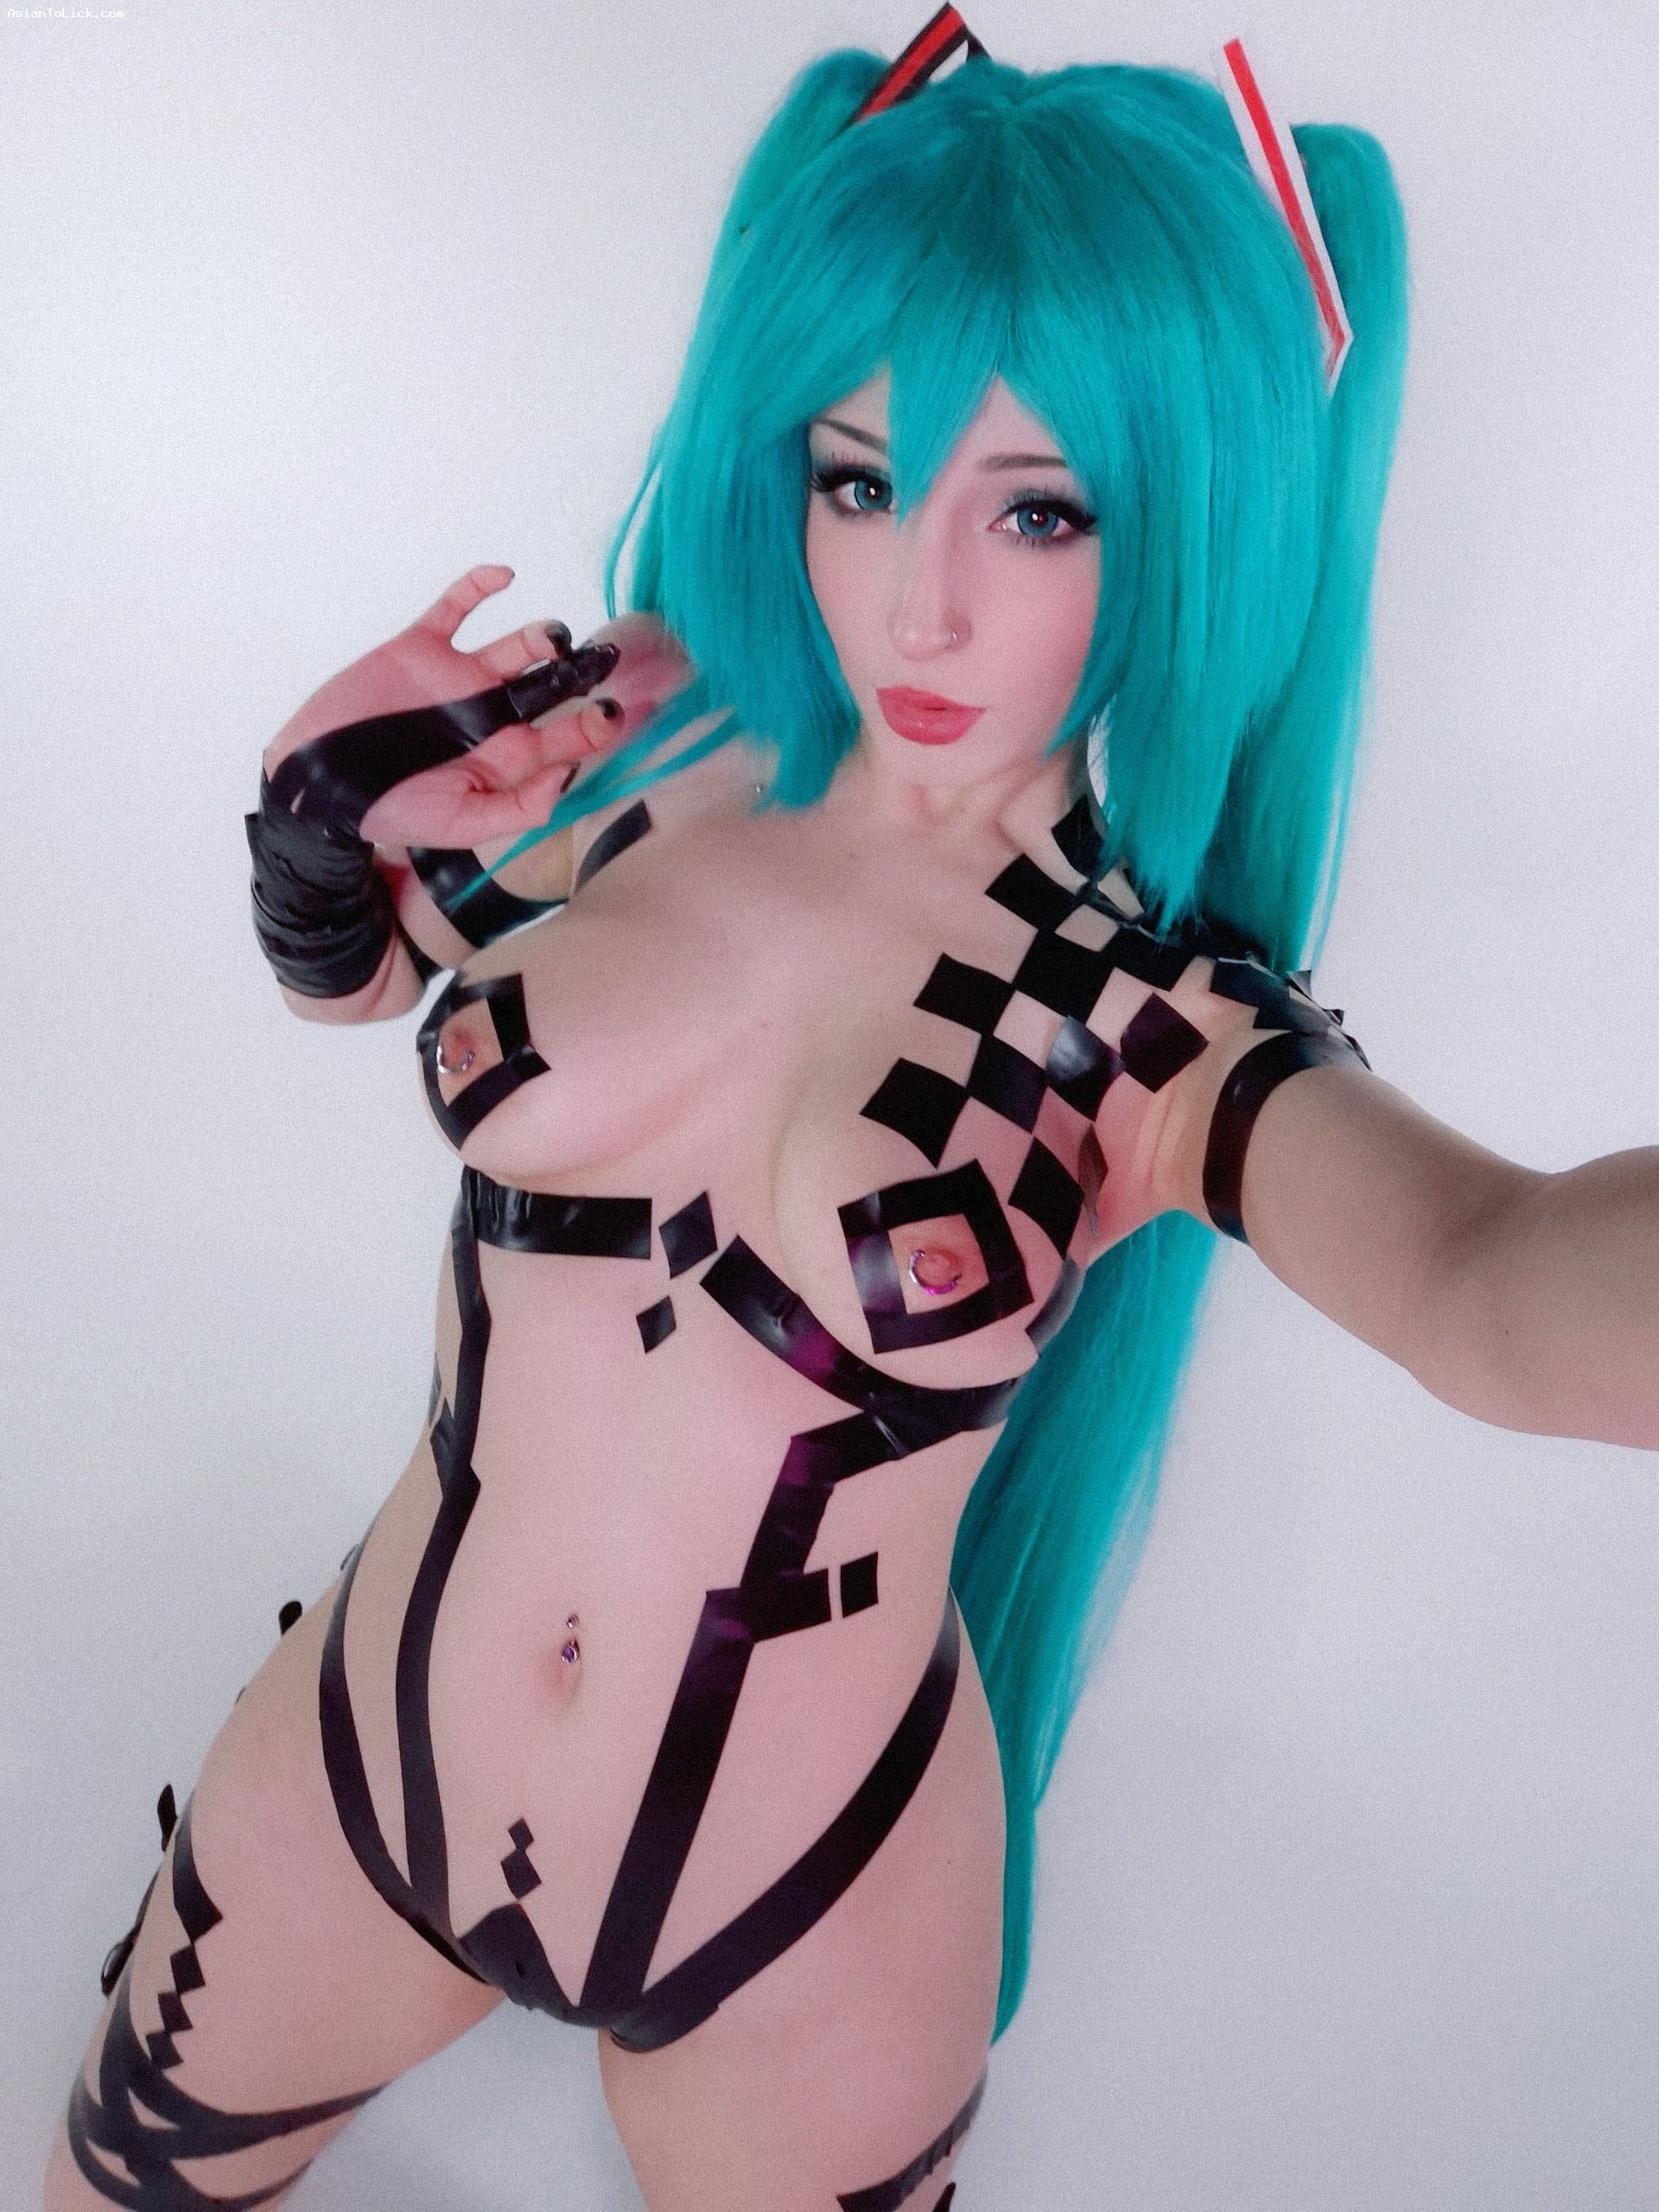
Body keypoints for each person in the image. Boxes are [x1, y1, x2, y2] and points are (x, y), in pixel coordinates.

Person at [46, 20, 1658, 2212]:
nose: (922, 596)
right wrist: (316, 828)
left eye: (1041, 509)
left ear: (1185, 531)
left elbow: (1494, 1282)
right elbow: (354, 977)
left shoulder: (1142, 1021)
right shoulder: (636, 752)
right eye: (862, 479)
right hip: (360, 1772)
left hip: (804, 1922)